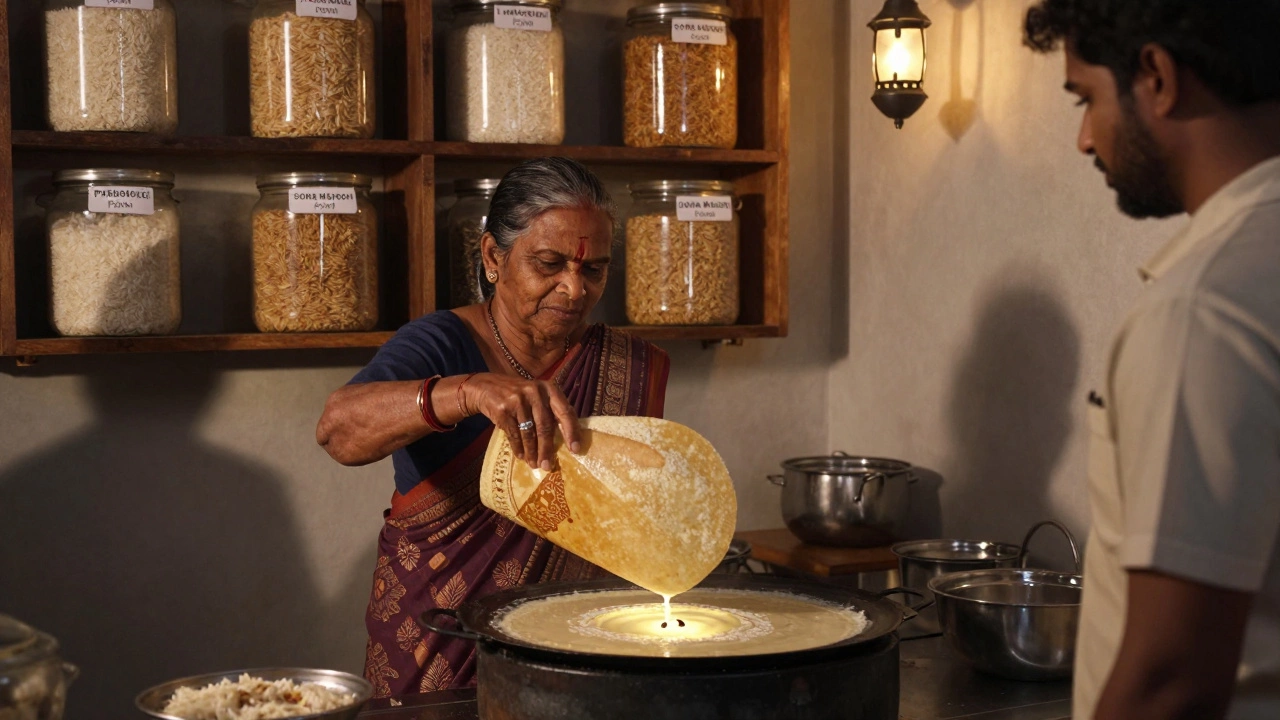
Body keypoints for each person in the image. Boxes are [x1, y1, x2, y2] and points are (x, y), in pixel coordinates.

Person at [316, 157, 669, 697]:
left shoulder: (620, 366)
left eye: (592, 269)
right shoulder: (439, 343)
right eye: (549, 263)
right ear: (492, 258)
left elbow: (628, 519)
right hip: (441, 640)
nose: (573, 290)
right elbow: (338, 431)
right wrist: (465, 391)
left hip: (577, 648)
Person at [1023, 2, 1280, 719]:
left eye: (1086, 98)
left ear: (1157, 77)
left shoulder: (1205, 309)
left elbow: (1173, 677)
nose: (1083, 139)